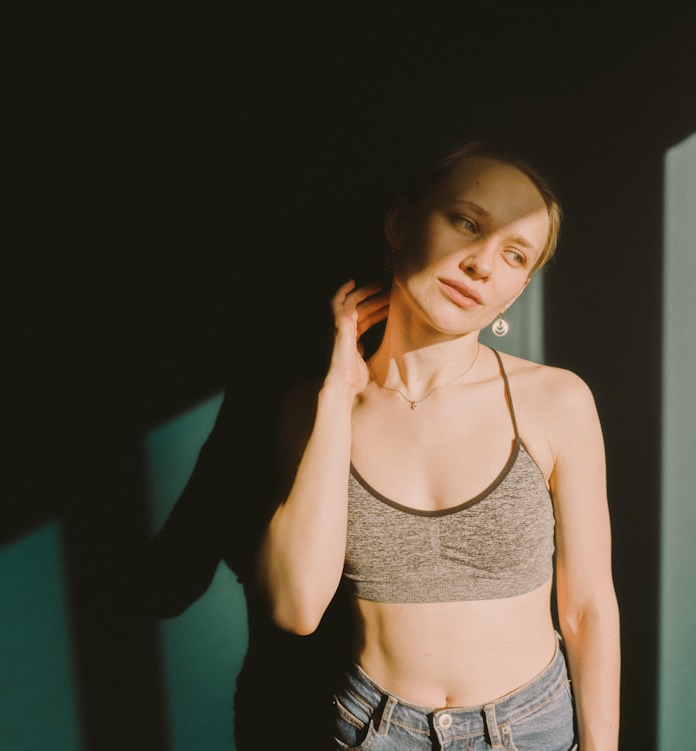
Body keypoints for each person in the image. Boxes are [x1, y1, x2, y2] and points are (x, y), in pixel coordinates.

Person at [257, 142, 620, 750]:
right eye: (466, 222)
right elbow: (296, 607)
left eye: (513, 254)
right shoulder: (318, 409)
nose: (482, 263)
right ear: (400, 224)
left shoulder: (557, 402)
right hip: (374, 732)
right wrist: (337, 393)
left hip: (531, 729)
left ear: (516, 290)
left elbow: (587, 608)